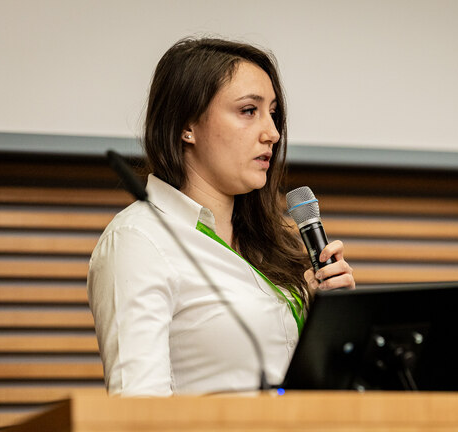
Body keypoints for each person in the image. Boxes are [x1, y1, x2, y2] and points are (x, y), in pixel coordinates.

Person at [87, 37, 355, 396]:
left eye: (272, 113)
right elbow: (139, 411)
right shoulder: (139, 239)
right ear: (187, 125)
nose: (272, 133)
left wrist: (327, 320)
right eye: (248, 111)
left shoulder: (269, 245)